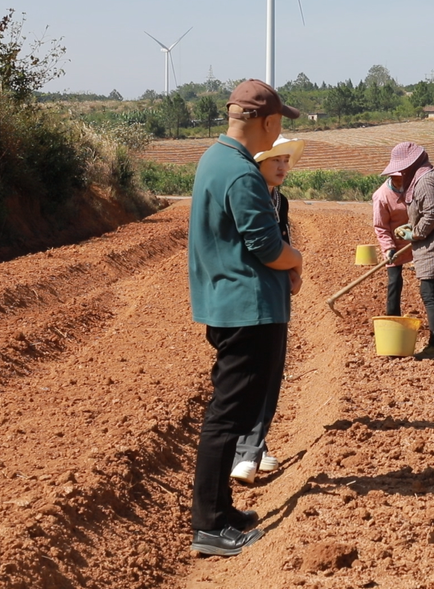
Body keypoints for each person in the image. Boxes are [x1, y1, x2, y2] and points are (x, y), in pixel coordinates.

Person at [187, 79, 302, 557]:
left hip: (229, 303)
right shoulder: (240, 173)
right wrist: (296, 260)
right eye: (278, 125)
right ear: (268, 123)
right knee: (227, 415)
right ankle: (211, 524)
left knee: (229, 413)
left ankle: (223, 510)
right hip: (248, 309)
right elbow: (267, 246)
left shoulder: (214, 159)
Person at [227, 135, 306, 485]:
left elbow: (283, 239)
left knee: (269, 372)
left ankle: (254, 446)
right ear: (258, 162)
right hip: (248, 293)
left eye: (286, 160)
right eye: (275, 159)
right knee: (258, 373)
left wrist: (292, 271)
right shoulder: (249, 195)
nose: (282, 166)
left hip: (273, 292)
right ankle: (245, 452)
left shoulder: (280, 200)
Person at [380, 142, 434, 359]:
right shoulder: (423, 178)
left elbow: (433, 213)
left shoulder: (424, 181)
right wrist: (412, 227)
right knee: (433, 292)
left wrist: (415, 233)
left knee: (429, 293)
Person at [372, 171, 415, 317]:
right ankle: (393, 317)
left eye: (402, 178)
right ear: (391, 177)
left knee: (432, 276)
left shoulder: (413, 187)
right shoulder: (381, 196)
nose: (400, 182)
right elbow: (381, 227)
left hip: (417, 239)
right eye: (396, 179)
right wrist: (389, 248)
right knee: (395, 280)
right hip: (395, 244)